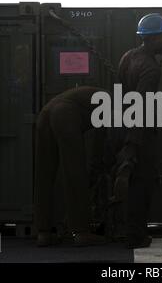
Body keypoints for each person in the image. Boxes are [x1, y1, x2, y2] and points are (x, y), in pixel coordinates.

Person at [114, 13, 162, 249]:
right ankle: (136, 236)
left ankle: (128, 231)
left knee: (131, 185)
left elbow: (119, 94)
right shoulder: (151, 69)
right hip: (140, 135)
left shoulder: (128, 57)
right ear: (153, 38)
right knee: (142, 185)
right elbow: (141, 107)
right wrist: (134, 144)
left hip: (122, 127)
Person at [34, 85, 107, 247]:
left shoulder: (94, 94)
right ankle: (82, 232)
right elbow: (100, 144)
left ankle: (43, 232)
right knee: (74, 173)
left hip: (44, 114)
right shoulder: (113, 105)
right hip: (64, 115)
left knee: (44, 175)